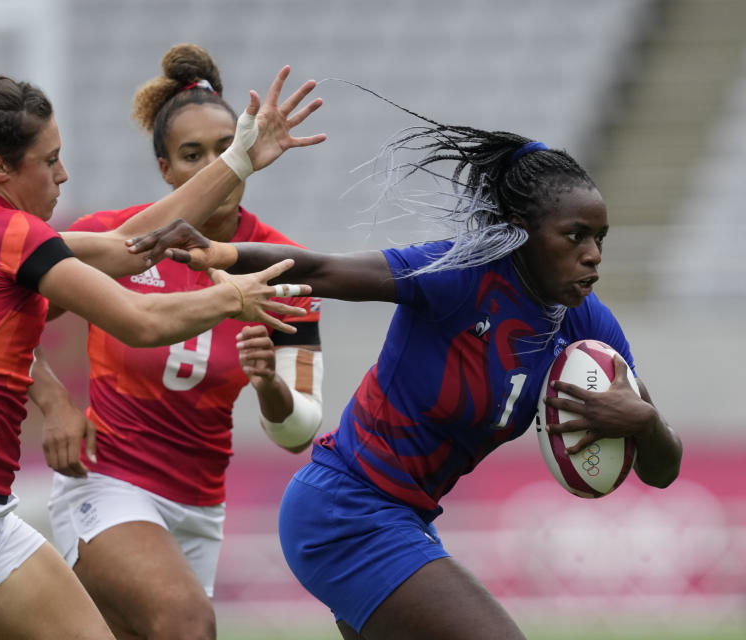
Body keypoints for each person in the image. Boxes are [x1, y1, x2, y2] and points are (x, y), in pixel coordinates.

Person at [132, 110, 684, 640]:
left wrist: (645, 421)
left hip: (403, 520)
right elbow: (324, 269)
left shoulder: (587, 325)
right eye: (575, 236)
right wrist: (219, 251)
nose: (593, 256)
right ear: (521, 232)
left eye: (600, 239)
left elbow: (661, 472)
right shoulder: (460, 274)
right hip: (343, 510)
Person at [0, 52, 323, 640]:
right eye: (51, 160)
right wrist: (230, 299)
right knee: (185, 624)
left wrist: (241, 159)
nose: (63, 176)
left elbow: (126, 248)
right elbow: (138, 318)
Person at [40, 43, 324, 640]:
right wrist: (55, 403)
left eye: (226, 149)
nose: (213, 165)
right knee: (187, 624)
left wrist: (269, 384)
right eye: (191, 155)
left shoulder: (284, 267)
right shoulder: (113, 241)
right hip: (108, 481)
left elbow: (298, 430)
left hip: (199, 503)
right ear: (166, 170)